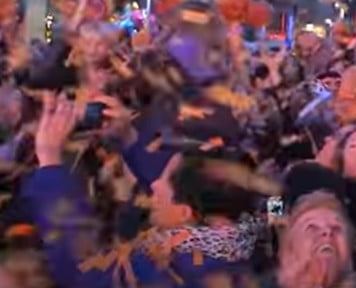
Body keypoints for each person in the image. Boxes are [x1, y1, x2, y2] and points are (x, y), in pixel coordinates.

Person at [23, 92, 262, 287]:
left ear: (185, 214)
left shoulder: (169, 268)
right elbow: (184, 186)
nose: (154, 184)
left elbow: (82, 270)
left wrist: (49, 160)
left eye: (164, 183)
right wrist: (127, 137)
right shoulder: (245, 239)